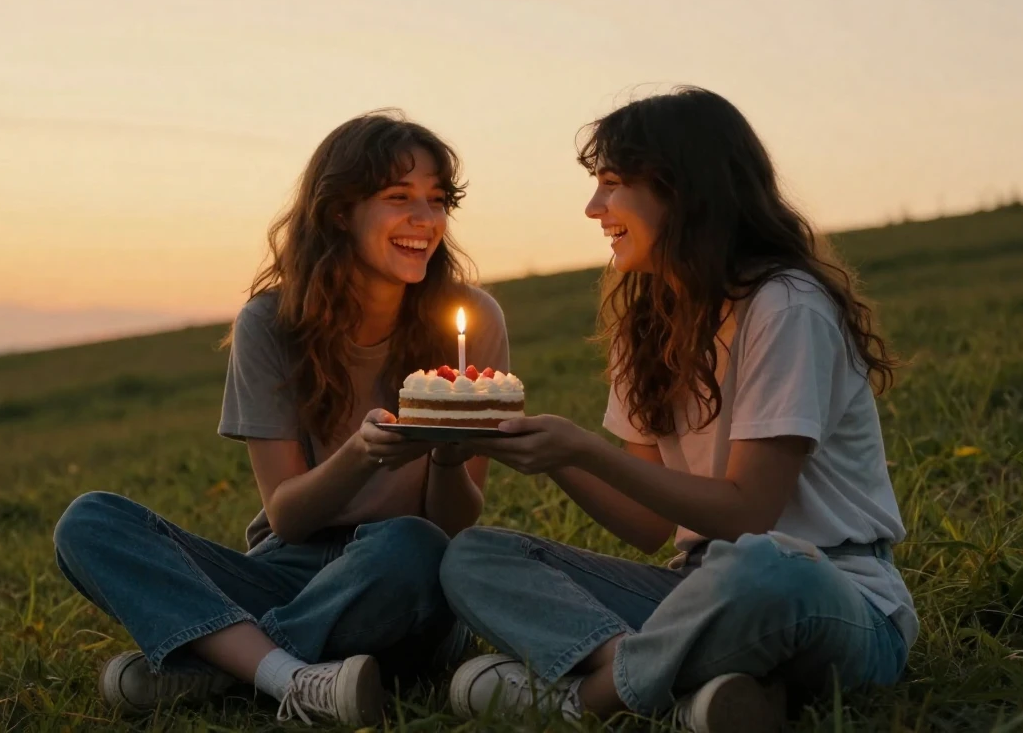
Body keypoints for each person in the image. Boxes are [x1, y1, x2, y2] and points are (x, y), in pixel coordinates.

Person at [440, 87, 914, 733]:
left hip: (826, 592)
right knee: (474, 558)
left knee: (763, 566)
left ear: (681, 190)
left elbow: (749, 511)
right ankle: (700, 688)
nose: (593, 207)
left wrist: (579, 447)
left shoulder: (786, 306)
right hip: (693, 593)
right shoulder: (647, 323)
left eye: (612, 184)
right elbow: (648, 525)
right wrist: (545, 456)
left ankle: (589, 699)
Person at [53, 111, 509, 725]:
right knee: (91, 522)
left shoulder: (471, 320)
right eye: (400, 198)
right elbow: (289, 516)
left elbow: (454, 522)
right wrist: (362, 454)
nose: (425, 221)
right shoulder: (270, 324)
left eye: (437, 200)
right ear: (340, 210)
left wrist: (450, 454)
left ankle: (218, 664)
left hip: (400, 580)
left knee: (414, 545)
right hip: (289, 570)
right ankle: (289, 676)